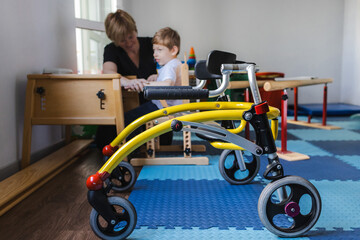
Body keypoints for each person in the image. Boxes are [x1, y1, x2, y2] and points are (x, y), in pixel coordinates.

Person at [96, 9, 157, 149]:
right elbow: (109, 72)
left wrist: (158, 76)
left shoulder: (151, 44)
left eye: (131, 36)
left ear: (135, 29)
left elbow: (168, 67)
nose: (129, 43)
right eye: (122, 41)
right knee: (108, 139)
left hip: (152, 103)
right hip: (126, 106)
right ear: (114, 40)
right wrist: (127, 82)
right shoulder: (111, 50)